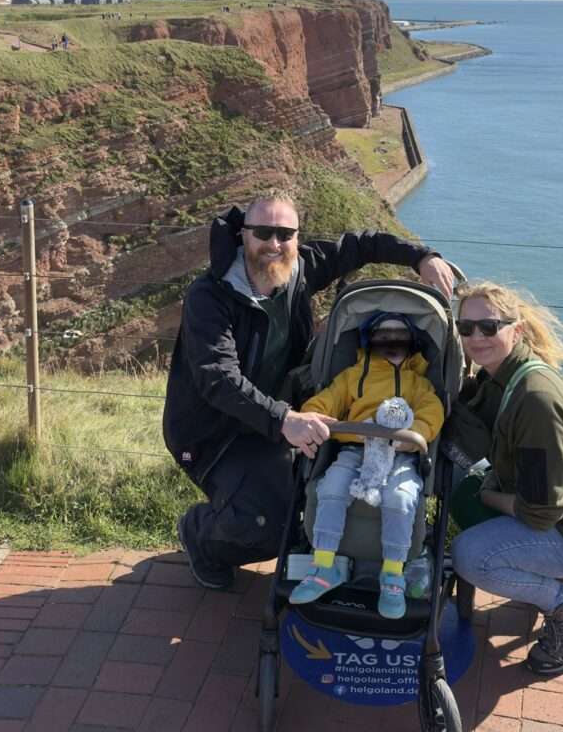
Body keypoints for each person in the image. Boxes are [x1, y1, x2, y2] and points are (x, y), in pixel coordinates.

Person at [164, 191, 454, 591]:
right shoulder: (211, 296)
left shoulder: (298, 268)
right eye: (263, 232)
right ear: (242, 235)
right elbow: (217, 377)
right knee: (268, 526)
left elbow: (361, 245)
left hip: (273, 422)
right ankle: (201, 534)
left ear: (297, 238)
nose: (274, 244)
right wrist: (285, 419)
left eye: (285, 234)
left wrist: (422, 257)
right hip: (214, 433)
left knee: (305, 503)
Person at [445, 281, 563, 677]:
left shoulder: (535, 400)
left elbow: (543, 512)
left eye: (489, 327)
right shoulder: (500, 376)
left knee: (469, 556)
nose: (476, 337)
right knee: (457, 480)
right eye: (466, 328)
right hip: (558, 510)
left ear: (516, 330)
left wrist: (489, 497)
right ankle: (539, 572)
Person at [289, 314, 444, 618]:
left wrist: (417, 435)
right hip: (353, 448)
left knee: (399, 499)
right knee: (330, 488)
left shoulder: (418, 382)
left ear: (411, 342)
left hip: (400, 453)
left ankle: (393, 575)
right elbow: (323, 402)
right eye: (383, 337)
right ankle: (323, 567)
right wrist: (320, 419)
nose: (391, 343)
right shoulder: (353, 376)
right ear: (370, 342)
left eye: (399, 336)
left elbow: (432, 411)